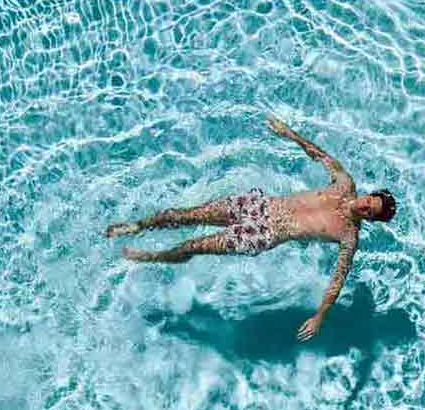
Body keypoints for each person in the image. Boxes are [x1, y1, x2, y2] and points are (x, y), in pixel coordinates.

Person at [105, 115, 397, 342]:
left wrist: (320, 315)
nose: (365, 205)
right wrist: (289, 133)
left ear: (370, 219)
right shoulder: (344, 183)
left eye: (370, 211)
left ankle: (151, 257)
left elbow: (339, 278)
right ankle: (137, 226)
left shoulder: (348, 235)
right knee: (184, 215)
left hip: (264, 234)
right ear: (369, 194)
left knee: (194, 247)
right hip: (257, 205)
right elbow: (319, 155)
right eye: (370, 200)